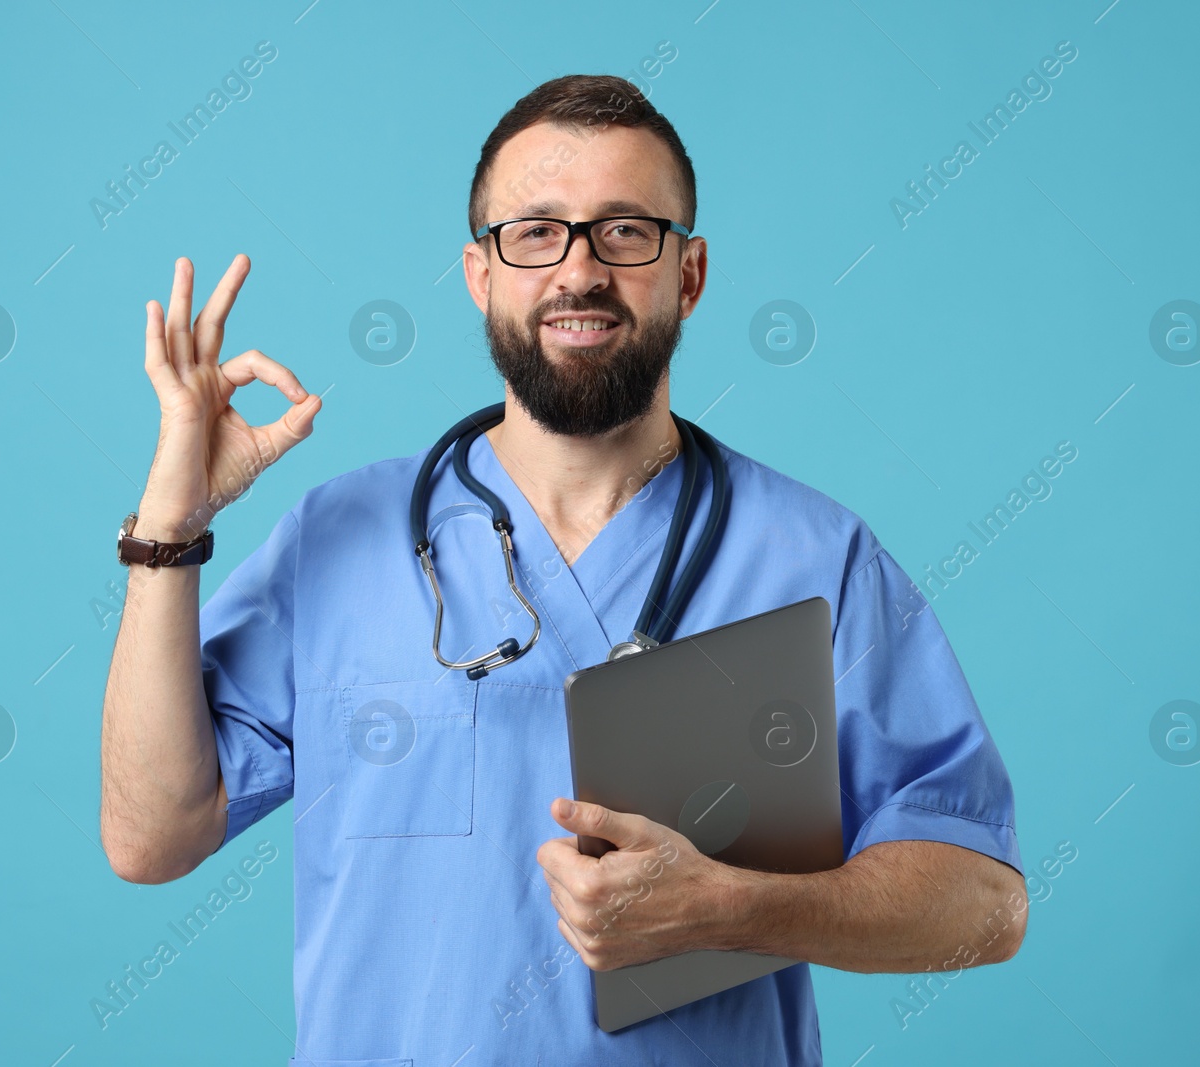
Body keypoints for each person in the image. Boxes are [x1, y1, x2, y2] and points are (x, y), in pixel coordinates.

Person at [100, 73, 1025, 1066]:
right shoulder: (342, 536)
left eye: (625, 230)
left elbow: (983, 905)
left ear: (690, 272)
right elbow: (153, 837)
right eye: (534, 232)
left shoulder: (813, 558)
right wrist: (169, 530)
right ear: (478, 273)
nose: (578, 271)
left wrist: (741, 905)